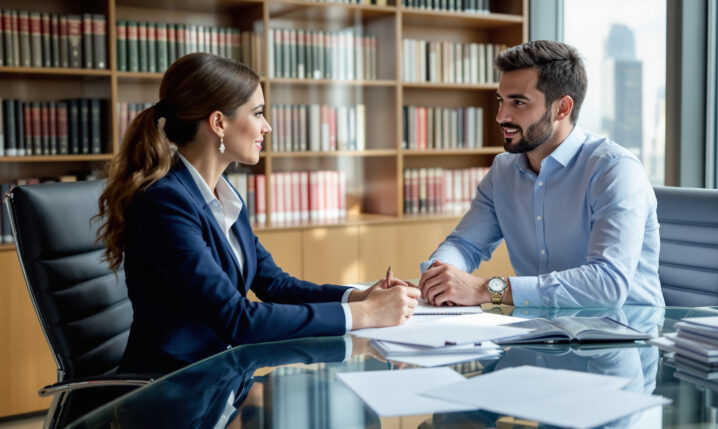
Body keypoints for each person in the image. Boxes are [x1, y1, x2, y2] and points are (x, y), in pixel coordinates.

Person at [96, 53, 419, 373]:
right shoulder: (165, 203)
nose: (267, 127)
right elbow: (236, 319)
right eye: (258, 113)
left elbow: (276, 285)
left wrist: (357, 298)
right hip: (173, 385)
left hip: (223, 376)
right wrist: (366, 315)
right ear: (219, 123)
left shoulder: (224, 195)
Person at [418, 40, 664, 308]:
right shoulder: (503, 171)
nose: (501, 116)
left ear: (562, 108)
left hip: (623, 329)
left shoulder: (614, 170)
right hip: (540, 328)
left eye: (518, 102)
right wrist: (438, 277)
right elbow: (465, 245)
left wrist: (485, 289)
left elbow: (607, 284)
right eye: (501, 101)